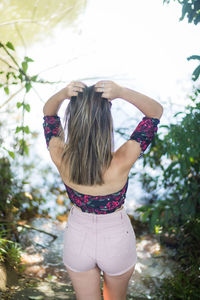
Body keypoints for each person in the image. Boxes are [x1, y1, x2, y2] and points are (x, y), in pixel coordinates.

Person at [43, 80, 163, 300]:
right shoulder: (122, 159)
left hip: (78, 238)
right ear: (106, 122)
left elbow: (49, 116)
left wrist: (62, 94)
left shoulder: (60, 154)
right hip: (116, 239)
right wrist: (121, 92)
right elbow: (155, 113)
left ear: (74, 121)